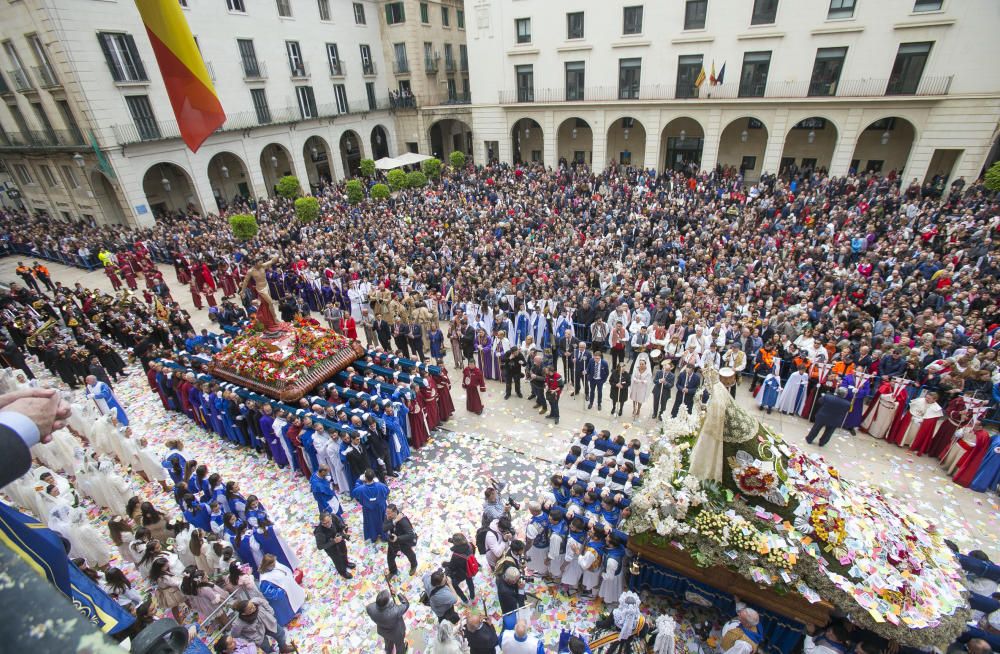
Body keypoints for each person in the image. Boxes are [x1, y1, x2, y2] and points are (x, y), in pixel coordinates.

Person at [229, 598, 296, 654]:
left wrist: (270, 612)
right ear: (244, 613)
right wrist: (248, 639)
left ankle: (284, 648)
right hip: (257, 635)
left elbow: (264, 602)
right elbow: (235, 635)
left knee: (280, 633)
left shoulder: (255, 601)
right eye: (250, 609)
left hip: (266, 623)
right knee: (266, 647)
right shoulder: (238, 624)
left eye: (252, 605)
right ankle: (272, 652)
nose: (254, 607)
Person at [258, 554, 305, 626]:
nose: (275, 565)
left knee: (293, 603)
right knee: (287, 610)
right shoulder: (265, 580)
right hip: (281, 598)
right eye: (273, 564)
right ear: (267, 565)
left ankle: (296, 611)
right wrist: (282, 591)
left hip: (286, 591)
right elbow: (269, 593)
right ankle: (289, 618)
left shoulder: (273, 567)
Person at [366, 588, 410, 654]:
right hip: (396, 633)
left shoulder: (370, 608)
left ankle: (388, 650)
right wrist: (398, 593)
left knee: (388, 641)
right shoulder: (395, 611)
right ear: (387, 604)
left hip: (383, 631)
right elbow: (406, 604)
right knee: (400, 645)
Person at [351, 468, 389, 542]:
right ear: (374, 477)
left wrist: (358, 480)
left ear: (365, 478)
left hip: (368, 510)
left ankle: (373, 537)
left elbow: (354, 493)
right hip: (380, 508)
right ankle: (384, 536)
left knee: (371, 523)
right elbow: (387, 492)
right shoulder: (381, 485)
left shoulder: (360, 489)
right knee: (382, 521)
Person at [314, 512, 354, 579]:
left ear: (330, 517)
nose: (327, 524)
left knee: (344, 553)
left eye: (328, 522)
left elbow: (341, 525)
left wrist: (344, 530)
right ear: (321, 522)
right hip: (331, 549)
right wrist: (334, 541)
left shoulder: (333, 517)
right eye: (324, 523)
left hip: (341, 541)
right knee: (337, 560)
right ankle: (342, 572)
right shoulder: (319, 532)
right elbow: (320, 546)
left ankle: (346, 563)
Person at [384, 503, 418, 578]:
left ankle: (414, 565)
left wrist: (398, 538)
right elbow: (384, 528)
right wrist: (394, 521)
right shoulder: (388, 517)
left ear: (395, 512)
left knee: (410, 555)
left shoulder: (403, 521)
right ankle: (393, 571)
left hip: (403, 542)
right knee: (390, 557)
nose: (387, 515)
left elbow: (411, 534)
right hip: (393, 542)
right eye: (387, 512)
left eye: (389, 513)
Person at [446, 532, 476, 604]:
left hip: (460, 573)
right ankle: (472, 597)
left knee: (454, 584)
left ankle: (465, 600)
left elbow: (452, 566)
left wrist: (445, 564)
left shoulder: (456, 555)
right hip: (469, 569)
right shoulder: (470, 545)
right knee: (470, 581)